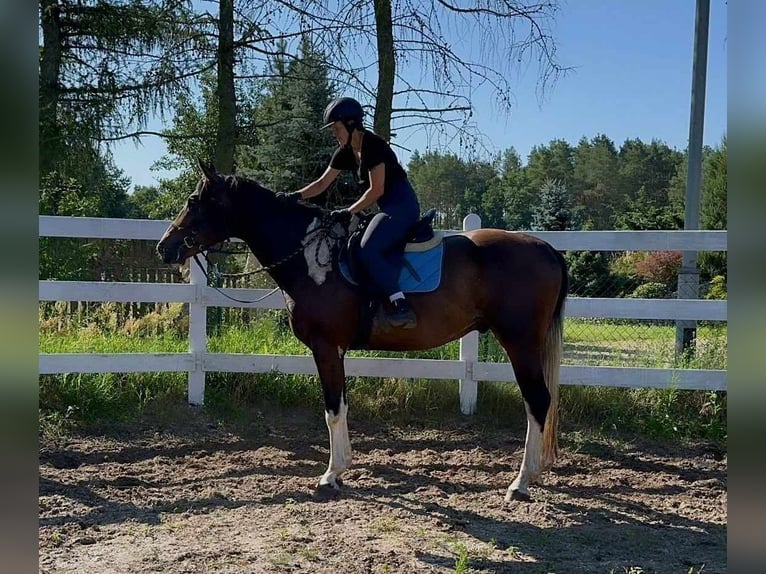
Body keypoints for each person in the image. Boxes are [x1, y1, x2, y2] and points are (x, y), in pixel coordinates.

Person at [284, 96, 420, 329]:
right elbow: (321, 183)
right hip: (387, 209)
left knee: (368, 248)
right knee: (352, 245)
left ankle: (401, 306)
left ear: (350, 124)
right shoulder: (345, 152)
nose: (334, 134)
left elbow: (376, 190)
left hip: (403, 208)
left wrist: (348, 211)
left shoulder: (374, 145)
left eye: (336, 129)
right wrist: (294, 196)